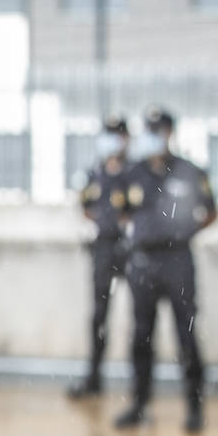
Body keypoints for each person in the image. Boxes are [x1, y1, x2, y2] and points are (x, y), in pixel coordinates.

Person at [114, 107, 217, 433]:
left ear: (170, 133)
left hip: (178, 263)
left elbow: (211, 212)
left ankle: (194, 408)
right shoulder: (133, 173)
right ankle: (140, 404)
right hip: (144, 263)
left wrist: (182, 234)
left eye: (160, 131)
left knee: (186, 336)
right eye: (150, 130)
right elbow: (122, 213)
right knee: (141, 335)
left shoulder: (190, 172)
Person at [68, 115, 130, 399]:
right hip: (103, 247)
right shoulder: (95, 173)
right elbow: (85, 206)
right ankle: (94, 377)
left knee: (142, 315)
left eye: (117, 135)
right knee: (99, 316)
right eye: (108, 134)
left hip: (132, 249)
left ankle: (140, 388)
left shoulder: (134, 173)